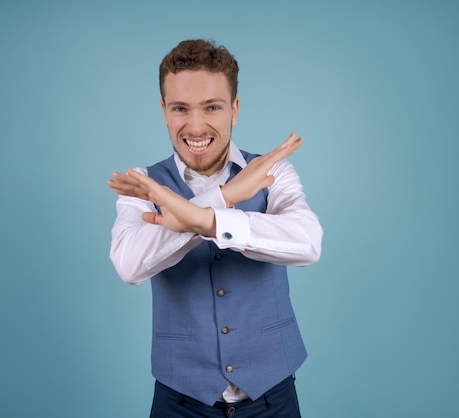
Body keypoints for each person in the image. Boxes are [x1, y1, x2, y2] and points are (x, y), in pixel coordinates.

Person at [108, 39, 323, 417]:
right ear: (163, 111)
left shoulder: (272, 173)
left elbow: (307, 243)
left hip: (273, 397)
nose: (195, 125)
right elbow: (129, 265)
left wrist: (205, 218)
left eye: (212, 107)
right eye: (180, 108)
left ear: (234, 110)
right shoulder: (142, 184)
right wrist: (224, 196)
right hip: (180, 401)